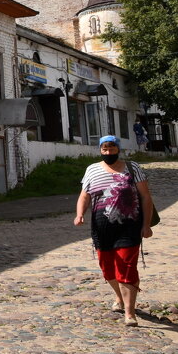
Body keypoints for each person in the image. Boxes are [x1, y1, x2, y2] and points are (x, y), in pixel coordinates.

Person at [74, 135, 154, 327]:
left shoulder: (133, 168)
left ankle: (129, 312)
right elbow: (84, 196)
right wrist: (79, 214)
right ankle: (119, 296)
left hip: (129, 226)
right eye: (105, 149)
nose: (108, 152)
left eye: (112, 148)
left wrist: (146, 224)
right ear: (100, 150)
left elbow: (145, 197)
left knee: (126, 267)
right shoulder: (92, 170)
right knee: (107, 268)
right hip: (102, 229)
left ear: (119, 149)